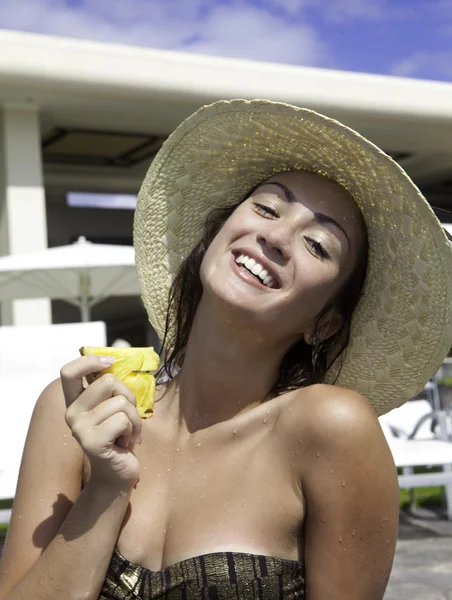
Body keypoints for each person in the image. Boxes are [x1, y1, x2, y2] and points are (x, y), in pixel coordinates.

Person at [1, 100, 451, 600]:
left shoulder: (328, 427)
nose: (276, 236)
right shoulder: (79, 413)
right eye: (265, 207)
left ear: (324, 323)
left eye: (319, 245)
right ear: (215, 236)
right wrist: (105, 489)